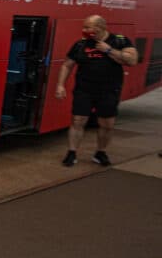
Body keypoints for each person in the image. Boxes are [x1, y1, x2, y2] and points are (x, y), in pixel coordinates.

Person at [55, 15, 137, 167]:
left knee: (107, 124)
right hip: (84, 89)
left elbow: (132, 60)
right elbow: (67, 65)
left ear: (100, 28)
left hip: (109, 90)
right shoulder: (81, 44)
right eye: (84, 27)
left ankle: (100, 152)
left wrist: (109, 50)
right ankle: (72, 152)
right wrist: (60, 85)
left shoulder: (120, 41)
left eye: (88, 27)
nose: (84, 30)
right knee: (78, 120)